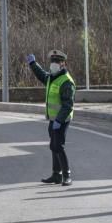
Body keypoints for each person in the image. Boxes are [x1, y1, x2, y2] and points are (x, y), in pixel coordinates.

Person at [26, 50, 75, 186]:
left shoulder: (66, 81)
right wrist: (33, 64)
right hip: (53, 119)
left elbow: (68, 105)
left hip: (62, 120)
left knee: (58, 146)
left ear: (63, 64)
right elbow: (42, 75)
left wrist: (59, 120)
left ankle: (67, 175)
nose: (54, 64)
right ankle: (56, 175)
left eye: (57, 62)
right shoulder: (52, 77)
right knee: (53, 146)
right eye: (52, 61)